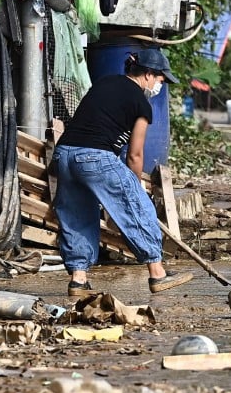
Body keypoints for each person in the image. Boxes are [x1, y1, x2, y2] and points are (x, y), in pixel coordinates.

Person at [51, 48, 193, 297]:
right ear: (148, 74)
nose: (161, 84)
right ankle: (157, 273)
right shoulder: (141, 103)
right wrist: (134, 188)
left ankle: (78, 279)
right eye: (161, 78)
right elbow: (135, 155)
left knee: (77, 215)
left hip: (64, 154)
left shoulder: (105, 83)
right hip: (95, 155)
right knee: (139, 207)